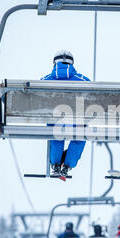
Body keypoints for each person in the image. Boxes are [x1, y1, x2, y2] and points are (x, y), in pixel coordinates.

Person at [41, 50, 90, 178]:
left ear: (54, 63)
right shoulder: (84, 80)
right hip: (76, 121)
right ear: (72, 64)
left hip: (55, 121)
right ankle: (68, 164)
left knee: (55, 133)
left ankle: (56, 163)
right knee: (80, 135)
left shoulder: (44, 81)